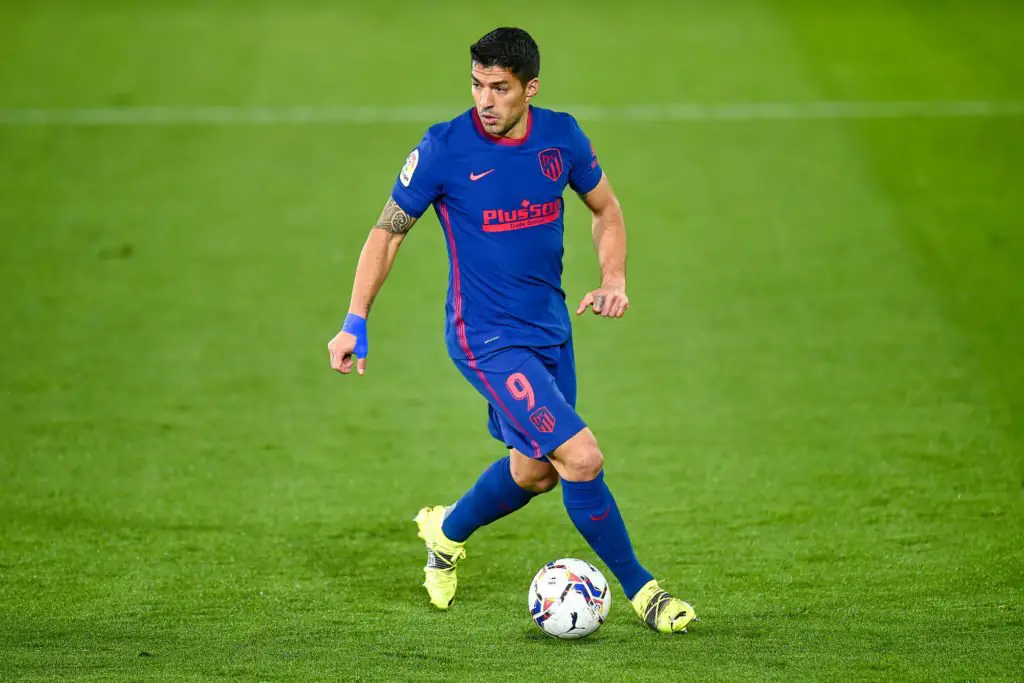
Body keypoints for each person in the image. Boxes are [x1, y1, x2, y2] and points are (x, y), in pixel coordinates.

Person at [327, 27, 696, 634]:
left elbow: (606, 207)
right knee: (581, 457)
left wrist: (614, 278)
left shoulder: (562, 137)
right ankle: (646, 593)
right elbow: (387, 232)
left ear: (531, 88)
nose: (485, 100)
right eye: (477, 84)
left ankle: (445, 531)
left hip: (550, 330)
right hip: (487, 339)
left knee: (535, 471)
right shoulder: (444, 148)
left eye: (499, 87)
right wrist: (354, 320)